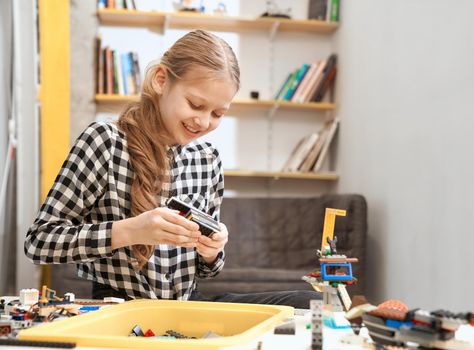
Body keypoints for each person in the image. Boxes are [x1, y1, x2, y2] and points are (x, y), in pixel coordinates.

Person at [25, 30, 320, 308]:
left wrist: (212, 250)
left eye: (218, 113)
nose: (204, 123)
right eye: (195, 105)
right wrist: (129, 231)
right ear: (161, 79)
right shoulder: (104, 141)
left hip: (186, 308)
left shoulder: (207, 158)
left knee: (306, 302)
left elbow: (207, 272)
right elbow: (39, 242)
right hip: (120, 309)